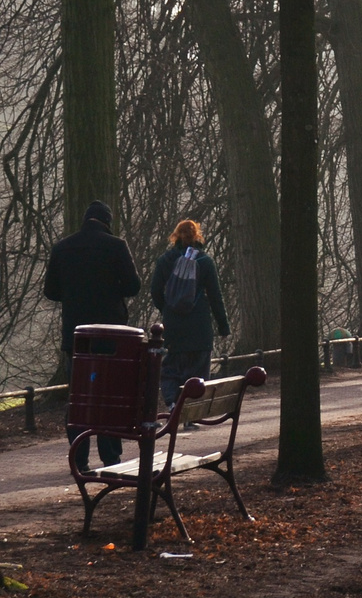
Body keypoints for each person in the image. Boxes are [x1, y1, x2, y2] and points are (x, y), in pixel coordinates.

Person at [44, 200, 141, 470]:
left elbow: (50, 291)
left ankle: (79, 455)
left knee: (80, 395)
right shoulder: (116, 246)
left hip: (77, 336)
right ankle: (110, 456)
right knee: (109, 393)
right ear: (107, 222)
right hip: (111, 336)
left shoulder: (63, 248)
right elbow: (133, 286)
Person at [149, 219, 230, 408]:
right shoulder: (205, 261)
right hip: (199, 326)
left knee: (170, 369)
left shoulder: (165, 261)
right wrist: (223, 326)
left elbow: (155, 291)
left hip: (174, 326)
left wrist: (167, 309)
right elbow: (215, 297)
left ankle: (172, 403)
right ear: (197, 236)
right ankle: (190, 413)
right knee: (197, 371)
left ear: (175, 236)